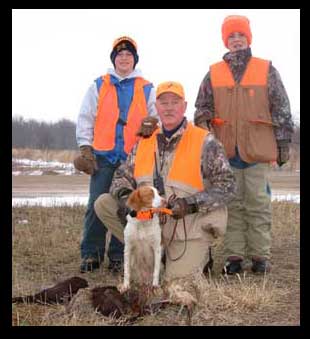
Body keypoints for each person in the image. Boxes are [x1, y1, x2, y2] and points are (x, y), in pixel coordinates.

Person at [94, 81, 236, 281]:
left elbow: (228, 186)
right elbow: (120, 178)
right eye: (164, 103)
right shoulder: (144, 141)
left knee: (176, 283)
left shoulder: (205, 141)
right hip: (148, 223)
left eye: (175, 102)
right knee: (103, 203)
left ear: (184, 106)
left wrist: (190, 204)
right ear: (156, 108)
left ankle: (197, 257)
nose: (169, 108)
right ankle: (148, 253)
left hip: (186, 226)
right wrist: (129, 203)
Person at [194, 15, 294, 274]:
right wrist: (206, 131)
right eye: (231, 37)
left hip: (257, 150)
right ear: (225, 41)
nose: (236, 40)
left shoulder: (266, 69)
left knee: (258, 203)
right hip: (225, 151)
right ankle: (234, 257)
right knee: (233, 205)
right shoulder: (213, 73)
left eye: (240, 35)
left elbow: (282, 107)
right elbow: (201, 109)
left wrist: (283, 144)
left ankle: (260, 256)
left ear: (248, 38)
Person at [74, 36, 158, 273]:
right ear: (114, 59)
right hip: (102, 158)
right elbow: (85, 117)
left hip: (132, 160)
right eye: (119, 55)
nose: (124, 58)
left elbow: (156, 116)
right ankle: (91, 254)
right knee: (96, 206)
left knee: (126, 207)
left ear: (134, 60)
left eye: (128, 55)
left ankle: (119, 257)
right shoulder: (99, 85)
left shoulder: (147, 87)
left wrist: (152, 123)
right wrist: (85, 147)